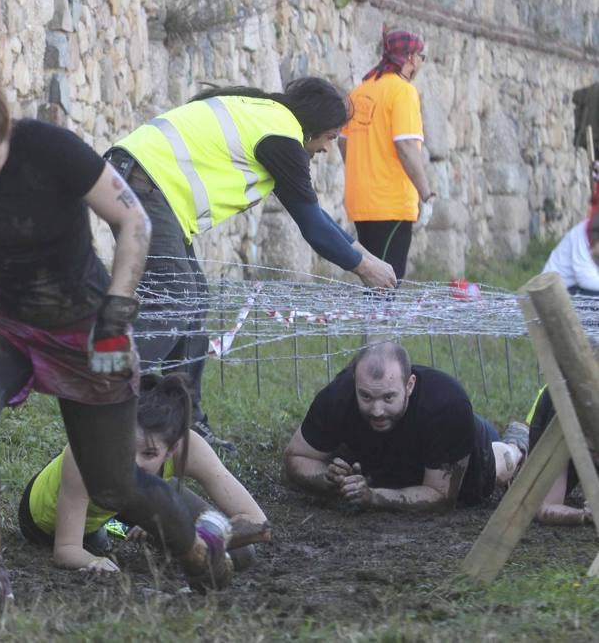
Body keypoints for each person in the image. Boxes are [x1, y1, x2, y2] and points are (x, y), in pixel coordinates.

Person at [0, 58, 232, 603]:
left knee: (113, 485)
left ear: (7, 133)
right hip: (6, 317)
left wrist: (116, 316)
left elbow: (134, 221)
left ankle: (197, 550)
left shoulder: (51, 148)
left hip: (86, 324)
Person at [105, 78, 398, 449]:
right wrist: (364, 268)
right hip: (141, 184)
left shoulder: (267, 118)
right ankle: (105, 394)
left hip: (141, 180)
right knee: (176, 299)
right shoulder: (281, 138)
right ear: (313, 126)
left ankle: (185, 424)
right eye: (329, 137)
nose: (328, 148)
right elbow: (312, 226)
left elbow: (319, 219)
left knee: (193, 300)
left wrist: (365, 255)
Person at [17, 373, 270, 573]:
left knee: (241, 555)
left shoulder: (189, 446)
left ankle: (143, 526)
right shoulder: (86, 451)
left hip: (127, 503)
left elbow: (258, 522)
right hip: (57, 523)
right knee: (99, 539)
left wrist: (197, 539)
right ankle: (126, 528)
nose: (133, 462)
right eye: (126, 448)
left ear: (171, 449)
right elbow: (66, 550)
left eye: (149, 453)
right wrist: (93, 561)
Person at [282, 338, 529, 511]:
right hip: (386, 461)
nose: (377, 410)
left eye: (388, 397)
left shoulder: (447, 405)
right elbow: (295, 457)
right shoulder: (339, 395)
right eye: (366, 396)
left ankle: (518, 442)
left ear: (409, 386)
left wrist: (373, 497)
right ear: (355, 382)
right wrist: (328, 479)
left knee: (503, 463)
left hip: (464, 450)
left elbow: (441, 497)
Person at [339, 28, 435, 280]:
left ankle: (373, 320)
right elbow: (405, 146)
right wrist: (426, 194)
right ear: (412, 58)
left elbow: (342, 142)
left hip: (360, 201)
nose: (421, 64)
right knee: (388, 283)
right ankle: (381, 321)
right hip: (390, 203)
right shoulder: (403, 91)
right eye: (422, 57)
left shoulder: (360, 91)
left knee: (373, 281)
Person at [526, 383, 596, 526]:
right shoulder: (563, 419)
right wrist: (584, 516)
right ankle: (515, 443)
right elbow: (545, 508)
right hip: (556, 426)